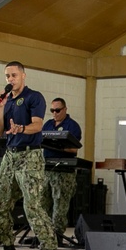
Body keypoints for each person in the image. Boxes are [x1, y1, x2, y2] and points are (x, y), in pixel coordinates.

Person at [0, 61, 59, 250]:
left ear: (23, 76)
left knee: (32, 205)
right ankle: (8, 249)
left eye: (14, 75)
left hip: (30, 156)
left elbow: (37, 125)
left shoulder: (33, 97)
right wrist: (1, 107)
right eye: (7, 76)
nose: (10, 79)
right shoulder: (7, 101)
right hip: (10, 156)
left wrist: (21, 129)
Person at [41, 98, 82, 241]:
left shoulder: (72, 126)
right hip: (47, 170)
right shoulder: (47, 125)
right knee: (43, 202)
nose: (55, 113)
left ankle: (57, 235)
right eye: (52, 110)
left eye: (58, 110)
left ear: (65, 109)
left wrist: (59, 147)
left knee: (60, 205)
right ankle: (44, 234)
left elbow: (75, 149)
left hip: (64, 172)